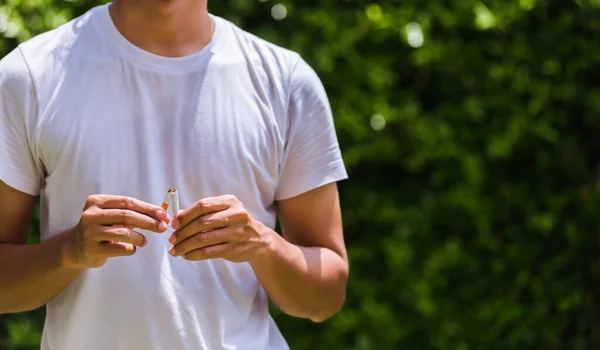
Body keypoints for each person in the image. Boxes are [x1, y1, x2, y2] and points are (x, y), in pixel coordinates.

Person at [0, 0, 349, 349]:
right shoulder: (29, 76)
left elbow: (325, 298)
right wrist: (69, 250)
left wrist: (261, 244)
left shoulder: (286, 83)